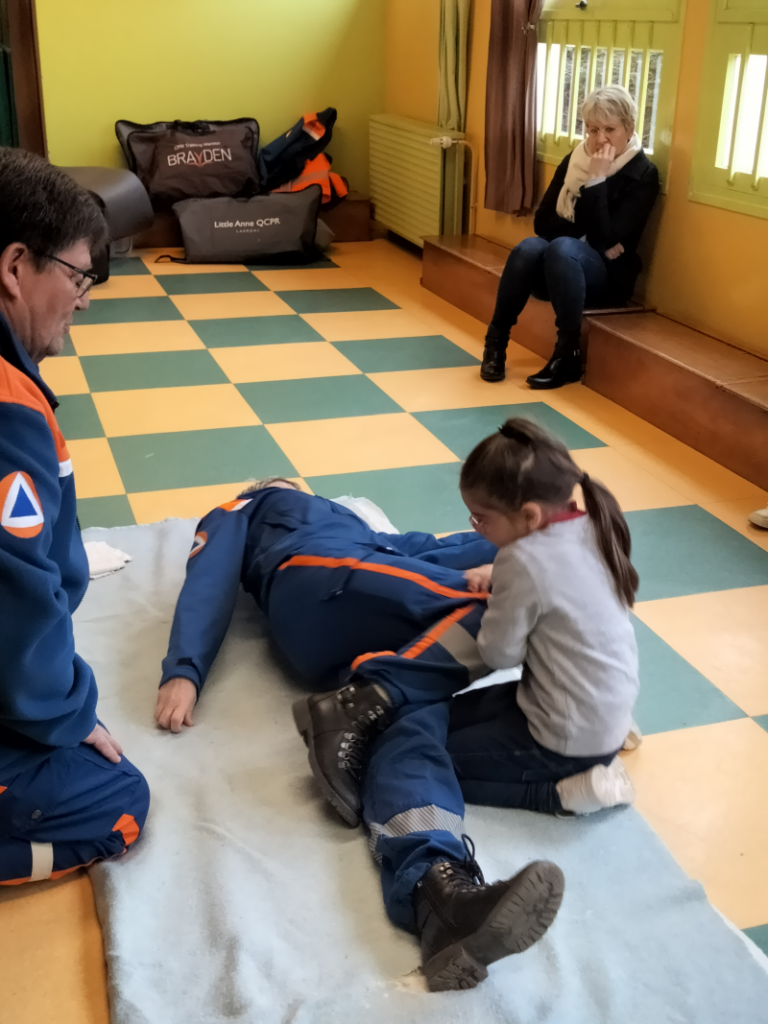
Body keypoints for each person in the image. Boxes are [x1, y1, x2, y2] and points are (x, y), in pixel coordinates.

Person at [156, 480, 565, 992]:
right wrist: (185, 667)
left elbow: (423, 549)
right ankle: (572, 696)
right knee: (514, 599)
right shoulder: (250, 506)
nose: (296, 483)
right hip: (321, 580)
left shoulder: (350, 523)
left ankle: (438, 894)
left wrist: (518, 542)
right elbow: (209, 575)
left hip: (365, 632)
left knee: (409, 724)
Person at [296, 417, 641, 983]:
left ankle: (441, 894)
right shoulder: (590, 526)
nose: (472, 526)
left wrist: (500, 589)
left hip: (555, 733)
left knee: (400, 748)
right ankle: (565, 785)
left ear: (530, 516)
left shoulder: (525, 561)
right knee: (422, 718)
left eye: (481, 518)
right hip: (593, 713)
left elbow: (499, 651)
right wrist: (499, 575)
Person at [0, 148, 149, 885]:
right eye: (78, 276)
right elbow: (18, 604)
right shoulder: (8, 411)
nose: (83, 301)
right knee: (119, 802)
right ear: (14, 266)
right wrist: (67, 718)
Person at [481, 85, 660, 389]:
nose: (599, 139)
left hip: (607, 277)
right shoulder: (575, 160)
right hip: (559, 269)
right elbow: (542, 223)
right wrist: (592, 230)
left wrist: (596, 180)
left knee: (563, 247)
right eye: (592, 129)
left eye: (609, 129)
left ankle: (567, 355)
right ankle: (495, 343)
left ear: (629, 129)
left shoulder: (643, 174)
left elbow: (615, 237)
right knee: (528, 248)